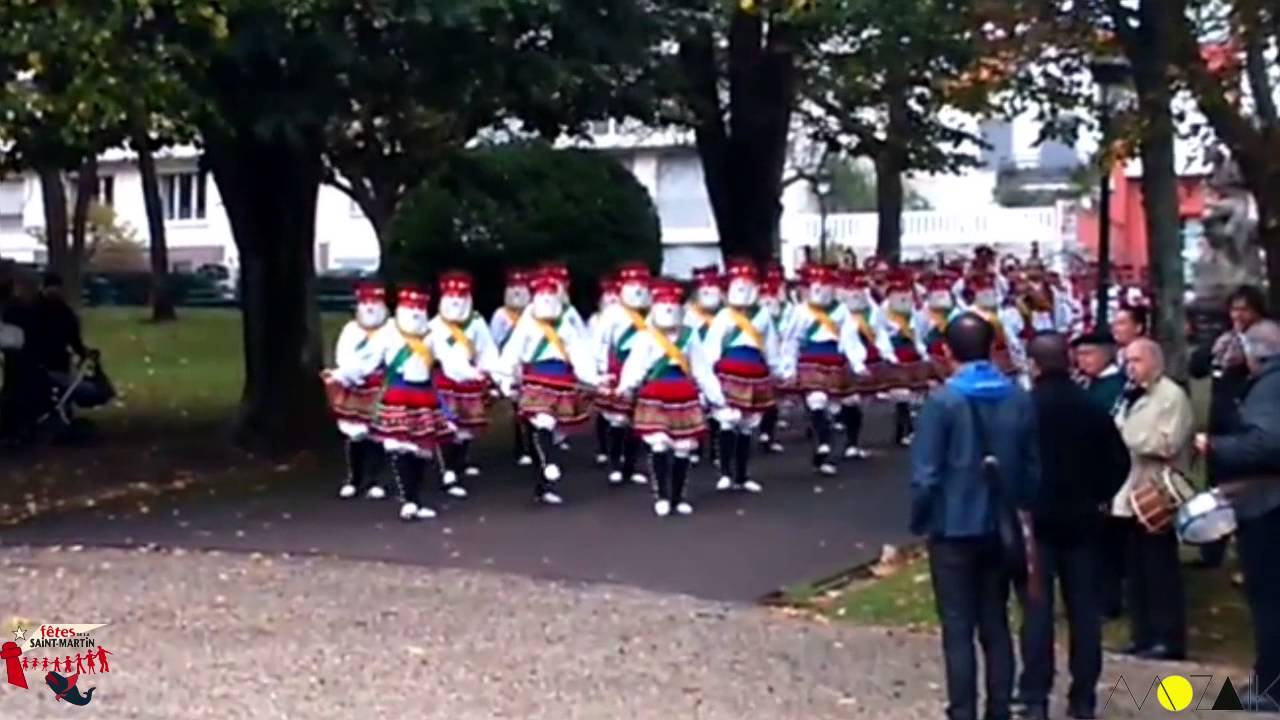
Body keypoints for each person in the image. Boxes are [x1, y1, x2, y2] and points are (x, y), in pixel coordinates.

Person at [911, 312, 1040, 720]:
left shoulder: (942, 400)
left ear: (947, 351)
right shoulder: (1017, 396)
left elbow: (926, 473)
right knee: (995, 622)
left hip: (953, 524)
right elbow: (1033, 465)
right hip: (1001, 522)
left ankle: (962, 709)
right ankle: (999, 708)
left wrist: (920, 519)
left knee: (957, 627)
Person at [1016, 334, 1129, 720]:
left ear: (1033, 365)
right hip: (1082, 518)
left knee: (1037, 609)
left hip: (1037, 519)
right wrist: (1098, 494)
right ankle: (1083, 697)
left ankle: (1034, 694)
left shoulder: (1026, 409)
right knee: (1083, 610)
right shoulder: (1091, 407)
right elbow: (1118, 461)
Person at [1197, 319, 1280, 712]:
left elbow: (1266, 444)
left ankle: (1271, 686)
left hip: (1268, 504)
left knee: (1268, 598)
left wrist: (1215, 447)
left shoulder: (1268, 388)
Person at [616, 280, 730, 517]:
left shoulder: (690, 337)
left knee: (683, 448)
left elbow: (701, 369)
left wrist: (716, 396)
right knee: (659, 443)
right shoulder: (647, 336)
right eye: (663, 304)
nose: (668, 309)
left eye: (672, 304)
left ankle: (678, 497)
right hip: (655, 394)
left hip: (684, 396)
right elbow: (636, 364)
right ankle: (662, 496)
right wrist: (626, 385)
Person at [1111, 338, 1193, 660]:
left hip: (1157, 492)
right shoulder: (1130, 396)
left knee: (1160, 569)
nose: (1131, 367)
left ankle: (1167, 637)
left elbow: (1166, 443)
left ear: (1155, 362)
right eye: (1128, 361)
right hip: (1130, 491)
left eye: (1138, 360)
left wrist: (1125, 433)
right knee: (1137, 569)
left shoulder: (1171, 396)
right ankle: (1142, 633)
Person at [1189, 285, 1267, 568]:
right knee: (1216, 486)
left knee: (1246, 488)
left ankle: (1247, 555)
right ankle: (1212, 550)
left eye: (1244, 309)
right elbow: (1197, 367)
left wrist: (1246, 351)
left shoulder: (1266, 339)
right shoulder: (1224, 338)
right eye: (1234, 309)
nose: (1238, 315)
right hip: (1220, 419)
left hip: (1248, 420)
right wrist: (1214, 348)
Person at [1070, 330, 1129, 619]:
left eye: (1088, 354)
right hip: (1083, 473)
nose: (1083, 360)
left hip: (1106, 468)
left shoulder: (1115, 387)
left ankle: (1109, 600)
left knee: (1108, 546)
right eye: (1079, 355)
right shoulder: (1085, 385)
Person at [323, 282, 390, 500]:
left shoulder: (390, 330)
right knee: (354, 433)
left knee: (378, 434)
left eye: (374, 302)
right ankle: (354, 478)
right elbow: (343, 356)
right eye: (366, 302)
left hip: (380, 386)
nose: (370, 308)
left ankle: (375, 480)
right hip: (353, 384)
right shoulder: (350, 330)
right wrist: (352, 374)